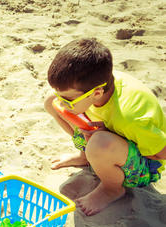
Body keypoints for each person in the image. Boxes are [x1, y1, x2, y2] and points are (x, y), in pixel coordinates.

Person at [44, 38, 166, 216]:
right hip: (109, 137)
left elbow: (162, 154)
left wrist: (111, 137)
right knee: (50, 101)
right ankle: (86, 156)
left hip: (145, 166)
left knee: (100, 143)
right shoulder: (96, 83)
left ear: (96, 93)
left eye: (68, 99)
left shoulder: (130, 117)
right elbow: (64, 101)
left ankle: (111, 189)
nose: (63, 103)